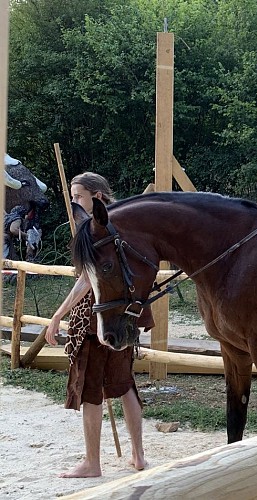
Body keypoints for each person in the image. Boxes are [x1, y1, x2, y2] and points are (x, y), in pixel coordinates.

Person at [45, 172, 153, 478]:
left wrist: (57, 315)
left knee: (93, 389)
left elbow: (85, 281)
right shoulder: (123, 226)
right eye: (73, 195)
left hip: (99, 319)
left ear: (98, 197)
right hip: (122, 317)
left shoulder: (102, 230)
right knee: (124, 384)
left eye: (78, 196)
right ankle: (138, 455)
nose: (74, 201)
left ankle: (93, 462)